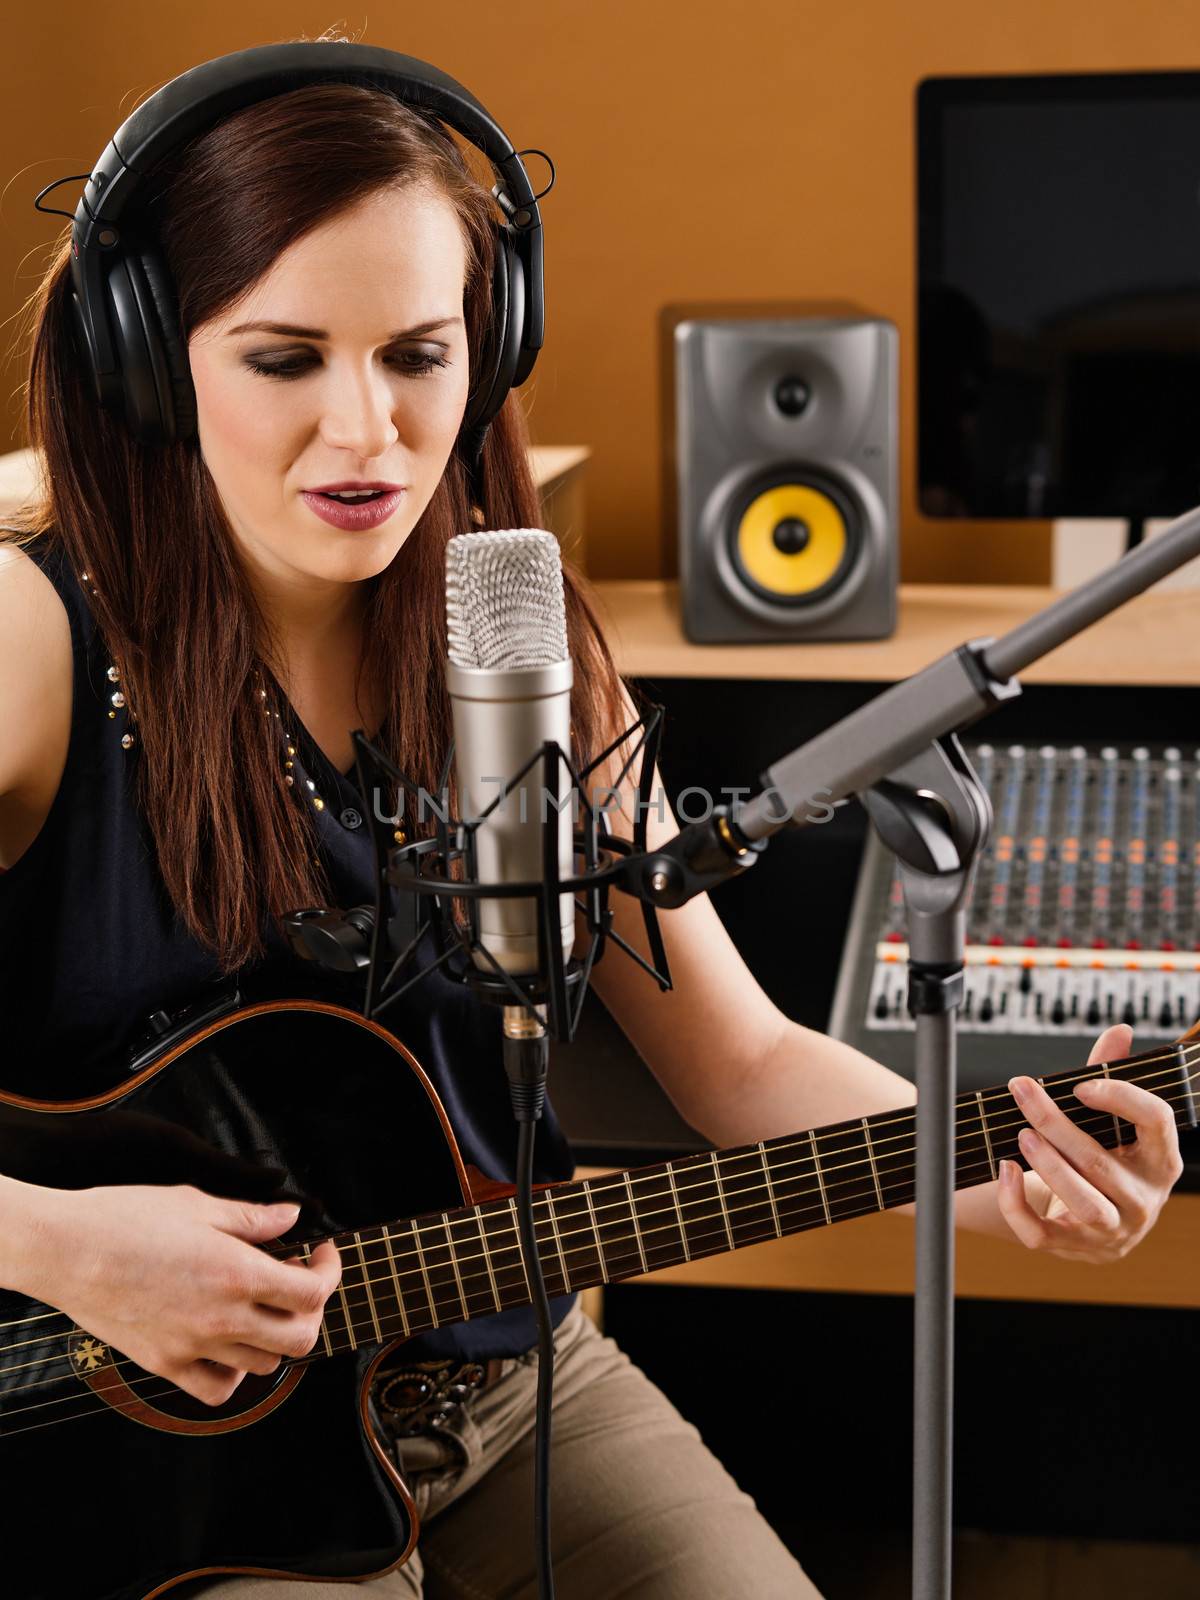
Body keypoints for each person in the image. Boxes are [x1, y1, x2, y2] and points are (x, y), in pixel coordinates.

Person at [0, 47, 1184, 1600]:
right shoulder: (33, 644)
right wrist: (62, 1249)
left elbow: (743, 1061)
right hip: (151, 1470)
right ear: (154, 359)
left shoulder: (516, 633)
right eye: (283, 359)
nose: (367, 434)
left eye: (418, 354)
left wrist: (1008, 1176)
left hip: (506, 1384)